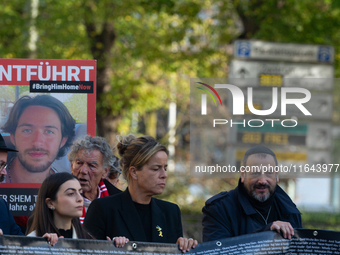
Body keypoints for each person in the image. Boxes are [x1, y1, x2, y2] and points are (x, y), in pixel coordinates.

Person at [84, 135, 198, 253]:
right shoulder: (103, 208)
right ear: (134, 172)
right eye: (156, 169)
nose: (164, 175)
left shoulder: (170, 212)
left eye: (165, 168)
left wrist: (185, 247)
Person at [202, 145, 302, 242]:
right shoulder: (219, 209)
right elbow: (218, 251)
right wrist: (266, 232)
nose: (262, 181)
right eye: (255, 173)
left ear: (277, 176)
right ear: (243, 174)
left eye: (269, 173)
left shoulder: (290, 211)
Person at [1, 95, 76, 183]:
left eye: (49, 132)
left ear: (63, 140)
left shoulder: (69, 185)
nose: (37, 143)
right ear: (12, 137)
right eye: (27, 130)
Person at [68, 135, 121, 224]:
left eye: (92, 166)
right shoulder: (58, 198)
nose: (83, 170)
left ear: (105, 171)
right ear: (71, 166)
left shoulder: (119, 203)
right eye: (79, 163)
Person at [27, 172, 92, 243]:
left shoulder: (89, 241)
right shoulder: (33, 241)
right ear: (50, 203)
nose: (80, 199)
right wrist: (42, 249)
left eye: (80, 193)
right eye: (71, 193)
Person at [0, 134, 24, 235]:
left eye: (4, 165)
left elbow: (20, 242)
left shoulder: (2, 206)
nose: (4, 172)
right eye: (0, 165)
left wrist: (44, 243)